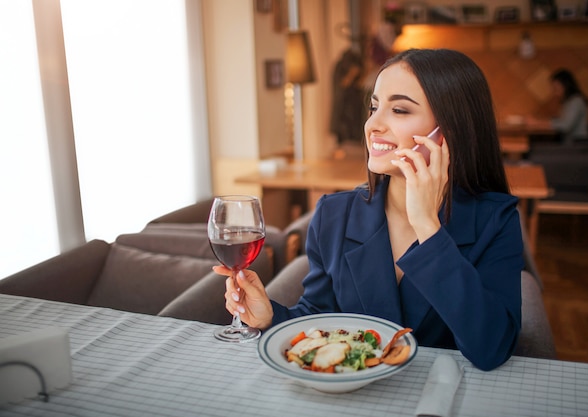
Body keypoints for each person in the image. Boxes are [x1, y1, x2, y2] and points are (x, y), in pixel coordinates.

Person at [214, 49, 524, 371]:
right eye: (374, 107)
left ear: (448, 132)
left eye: (400, 110)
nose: (373, 124)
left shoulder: (495, 221)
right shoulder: (334, 215)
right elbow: (320, 319)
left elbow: (492, 348)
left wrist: (428, 229)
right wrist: (271, 316)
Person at [525, 69, 588, 145]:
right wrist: (538, 122)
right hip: (570, 143)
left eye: (556, 88)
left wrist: (537, 123)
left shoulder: (576, 101)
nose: (555, 92)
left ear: (565, 85)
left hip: (577, 144)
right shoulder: (568, 101)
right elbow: (561, 121)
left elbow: (565, 125)